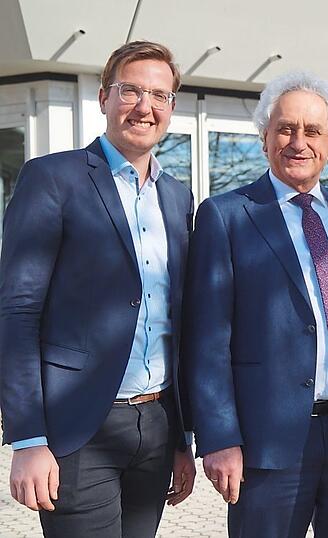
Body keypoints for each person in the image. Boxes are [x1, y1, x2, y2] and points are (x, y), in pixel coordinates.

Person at [0, 41, 196, 537]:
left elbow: (180, 321)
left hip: (155, 424)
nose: (144, 106)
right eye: (131, 91)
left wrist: (181, 439)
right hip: (78, 429)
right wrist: (28, 439)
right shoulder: (51, 178)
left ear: (171, 108)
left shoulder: (177, 198)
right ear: (105, 97)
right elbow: (17, 313)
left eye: (159, 95)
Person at [182, 71, 328, 537]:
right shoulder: (226, 216)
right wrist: (220, 437)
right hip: (267, 444)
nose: (298, 142)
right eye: (285, 128)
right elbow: (207, 338)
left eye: (313, 131)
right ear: (265, 137)